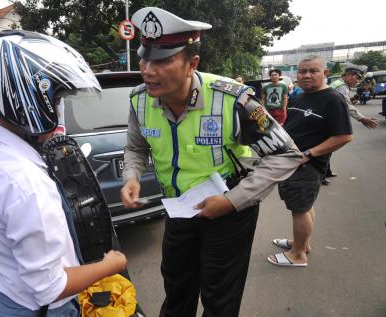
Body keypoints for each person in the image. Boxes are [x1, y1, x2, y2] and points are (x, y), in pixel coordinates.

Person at [120, 7, 302, 317]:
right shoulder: (140, 100)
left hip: (228, 209)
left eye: (162, 61)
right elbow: (136, 147)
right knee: (176, 287)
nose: (148, 70)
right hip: (178, 208)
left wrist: (232, 201)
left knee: (219, 297)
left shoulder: (233, 101)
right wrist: (132, 176)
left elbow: (287, 155)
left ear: (191, 64)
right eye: (144, 58)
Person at [0, 30, 126, 317]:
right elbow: (51, 287)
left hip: (6, 293)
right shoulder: (25, 183)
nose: (60, 108)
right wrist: (110, 265)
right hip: (43, 309)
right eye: (57, 98)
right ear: (30, 99)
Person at [268, 55, 353, 267]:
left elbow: (344, 136)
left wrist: (309, 154)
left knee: (300, 208)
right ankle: (302, 243)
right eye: (302, 71)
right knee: (305, 206)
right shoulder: (299, 95)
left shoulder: (332, 99)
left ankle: (297, 255)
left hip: (307, 164)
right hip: (291, 160)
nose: (306, 75)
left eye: (313, 71)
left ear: (325, 74)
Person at [326, 65, 378, 184]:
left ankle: (326, 171)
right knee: (327, 147)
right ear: (349, 75)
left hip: (329, 117)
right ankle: (321, 174)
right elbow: (347, 105)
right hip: (327, 119)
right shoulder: (341, 86)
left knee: (328, 147)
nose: (358, 81)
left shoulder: (339, 84)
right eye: (357, 78)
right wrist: (362, 118)